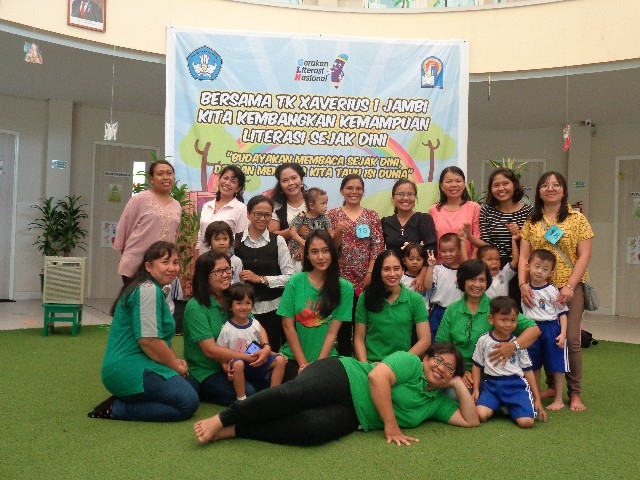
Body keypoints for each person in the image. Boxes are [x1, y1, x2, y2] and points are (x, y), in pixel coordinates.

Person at [193, 343, 480, 446]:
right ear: (426, 358)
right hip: (345, 375)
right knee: (294, 394)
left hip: (355, 415)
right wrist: (391, 426)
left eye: (449, 368)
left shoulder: (435, 403)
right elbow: (377, 377)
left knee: (312, 431)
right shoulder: (410, 362)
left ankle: (237, 429)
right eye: (438, 361)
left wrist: (456, 383)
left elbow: (470, 420)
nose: (441, 368)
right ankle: (224, 417)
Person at [88, 241, 199, 421]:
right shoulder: (147, 290)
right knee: (188, 402)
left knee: (192, 385)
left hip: (145, 362)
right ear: (148, 266)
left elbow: (163, 336)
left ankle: (131, 397)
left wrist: (175, 360)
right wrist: (174, 365)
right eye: (165, 262)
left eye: (175, 262)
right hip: (127, 368)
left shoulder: (154, 289)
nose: (172, 268)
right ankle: (116, 408)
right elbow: (149, 341)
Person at [518, 171, 594, 411]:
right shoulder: (532, 220)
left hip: (568, 289)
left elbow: (585, 255)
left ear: (564, 190)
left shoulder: (577, 219)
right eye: (545, 185)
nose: (550, 188)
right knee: (540, 336)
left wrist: (570, 286)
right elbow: (524, 256)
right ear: (539, 191)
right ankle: (551, 387)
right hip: (537, 289)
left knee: (571, 338)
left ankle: (574, 393)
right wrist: (522, 284)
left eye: (556, 185)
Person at [436, 259, 541, 392]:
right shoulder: (452, 310)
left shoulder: (496, 307)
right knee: (454, 394)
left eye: (482, 280)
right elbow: (442, 346)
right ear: (463, 280)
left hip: (493, 373)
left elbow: (534, 329)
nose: (477, 284)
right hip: (461, 372)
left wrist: (513, 346)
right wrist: (458, 371)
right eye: (472, 279)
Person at [183, 251, 273, 406]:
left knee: (275, 373)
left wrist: (266, 347)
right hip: (208, 371)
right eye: (218, 271)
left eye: (227, 269)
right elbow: (210, 350)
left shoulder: (232, 297)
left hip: (240, 364)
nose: (225, 275)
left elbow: (256, 324)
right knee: (249, 393)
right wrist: (247, 358)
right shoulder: (195, 307)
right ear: (205, 276)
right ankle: (202, 389)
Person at [277, 230, 354, 380]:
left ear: (332, 253)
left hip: (326, 359)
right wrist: (303, 364)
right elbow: (287, 325)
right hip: (293, 357)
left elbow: (333, 332)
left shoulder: (345, 288)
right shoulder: (295, 281)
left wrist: (317, 366)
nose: (320, 257)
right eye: (314, 252)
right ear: (307, 256)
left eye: (325, 251)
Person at [329, 174, 385, 356]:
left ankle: (365, 360)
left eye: (358, 188)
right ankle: (345, 359)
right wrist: (338, 232)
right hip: (340, 280)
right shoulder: (332, 215)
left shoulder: (371, 215)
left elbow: (377, 246)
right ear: (342, 191)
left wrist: (370, 272)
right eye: (349, 188)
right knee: (343, 323)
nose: (354, 192)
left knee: (365, 322)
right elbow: (331, 248)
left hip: (366, 279)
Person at [472, 296, 547, 428]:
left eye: (513, 320)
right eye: (503, 320)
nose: (508, 324)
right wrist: (476, 390)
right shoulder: (483, 341)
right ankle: (503, 406)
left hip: (516, 386)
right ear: (491, 319)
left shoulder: (518, 343)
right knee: (480, 415)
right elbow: (477, 365)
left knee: (527, 423)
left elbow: (528, 371)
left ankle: (512, 406)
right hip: (491, 386)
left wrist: (537, 399)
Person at [235, 195, 295, 352]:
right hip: (243, 309)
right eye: (258, 214)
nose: (263, 218)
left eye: (267, 215)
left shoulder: (278, 241)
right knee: (245, 351)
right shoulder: (235, 241)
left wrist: (261, 279)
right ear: (248, 214)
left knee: (272, 350)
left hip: (273, 308)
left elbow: (290, 277)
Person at [467, 167, 533, 306]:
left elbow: (534, 241)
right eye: (496, 185)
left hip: (521, 265)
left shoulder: (529, 210)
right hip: (493, 266)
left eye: (505, 183)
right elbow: (486, 243)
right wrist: (469, 236)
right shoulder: (487, 210)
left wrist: (520, 234)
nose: (501, 188)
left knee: (517, 308)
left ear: (514, 185)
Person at [354, 250, 430, 362]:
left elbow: (425, 340)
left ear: (402, 269)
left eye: (396, 268)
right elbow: (358, 339)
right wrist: (365, 366)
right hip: (370, 364)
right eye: (386, 269)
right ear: (379, 271)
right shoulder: (366, 297)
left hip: (400, 365)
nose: (392, 274)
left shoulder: (415, 299)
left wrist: (399, 363)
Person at [113, 160, 181, 284]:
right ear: (151, 179)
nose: (165, 177)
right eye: (160, 174)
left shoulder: (177, 205)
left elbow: (175, 236)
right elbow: (124, 227)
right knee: (138, 296)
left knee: (157, 296)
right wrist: (126, 253)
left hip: (163, 269)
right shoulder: (140, 199)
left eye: (169, 173)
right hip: (136, 264)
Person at [216, 283, 287, 401]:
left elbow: (259, 346)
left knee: (280, 360)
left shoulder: (255, 323)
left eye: (248, 303)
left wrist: (274, 354)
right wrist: (225, 367)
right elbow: (221, 353)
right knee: (238, 364)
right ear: (230, 306)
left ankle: (273, 395)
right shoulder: (227, 329)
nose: (244, 307)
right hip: (240, 366)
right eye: (239, 303)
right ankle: (242, 399)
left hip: (257, 361)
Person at [521, 249, 569, 411]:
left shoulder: (552, 290)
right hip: (530, 329)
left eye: (545, 269)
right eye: (536, 266)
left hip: (550, 328)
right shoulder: (524, 289)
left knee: (556, 365)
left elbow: (562, 313)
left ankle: (558, 399)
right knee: (532, 365)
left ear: (551, 273)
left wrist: (563, 333)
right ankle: (534, 398)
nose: (539, 271)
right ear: (528, 266)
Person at [381, 179, 436, 292]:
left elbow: (431, 249)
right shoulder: (386, 222)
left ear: (415, 198)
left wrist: (422, 275)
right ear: (393, 198)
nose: (405, 198)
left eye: (410, 194)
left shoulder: (424, 219)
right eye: (401, 194)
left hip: (417, 281)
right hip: (392, 278)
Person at [428, 166, 480, 260]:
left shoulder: (474, 207)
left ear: (464, 184)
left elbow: (478, 237)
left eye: (458, 181)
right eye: (449, 182)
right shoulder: (434, 210)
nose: (454, 185)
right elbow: (431, 241)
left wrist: (471, 264)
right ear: (441, 186)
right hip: (441, 265)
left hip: (467, 263)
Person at [197, 165, 248, 254]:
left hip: (225, 259)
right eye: (225, 178)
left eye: (233, 181)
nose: (227, 183)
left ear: (238, 188)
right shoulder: (207, 206)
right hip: (204, 258)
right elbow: (201, 235)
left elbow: (240, 240)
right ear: (219, 179)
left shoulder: (241, 209)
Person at [425, 233, 465, 343]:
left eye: (451, 250)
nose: (447, 254)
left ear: (459, 250)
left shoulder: (463, 271)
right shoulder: (437, 269)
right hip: (438, 311)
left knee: (456, 339)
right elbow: (427, 286)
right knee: (436, 341)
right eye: (443, 251)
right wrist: (430, 267)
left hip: (458, 312)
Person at [289, 187, 334, 270]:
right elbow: (292, 231)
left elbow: (331, 233)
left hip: (318, 250)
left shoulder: (325, 218)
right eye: (322, 203)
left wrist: (324, 243)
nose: (326, 206)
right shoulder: (302, 216)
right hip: (300, 252)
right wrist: (302, 242)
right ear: (312, 205)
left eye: (326, 203)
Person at [268, 162, 307, 241]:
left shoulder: (314, 199)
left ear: (302, 180)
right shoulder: (276, 206)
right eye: (285, 180)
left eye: (294, 178)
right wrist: (294, 230)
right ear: (280, 185)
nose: (290, 183)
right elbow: (272, 235)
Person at [399, 242, 431, 306]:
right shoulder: (400, 278)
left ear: (424, 261)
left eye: (419, 259)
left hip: (423, 309)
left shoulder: (427, 276)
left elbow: (429, 286)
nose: (415, 262)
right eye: (411, 259)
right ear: (404, 261)